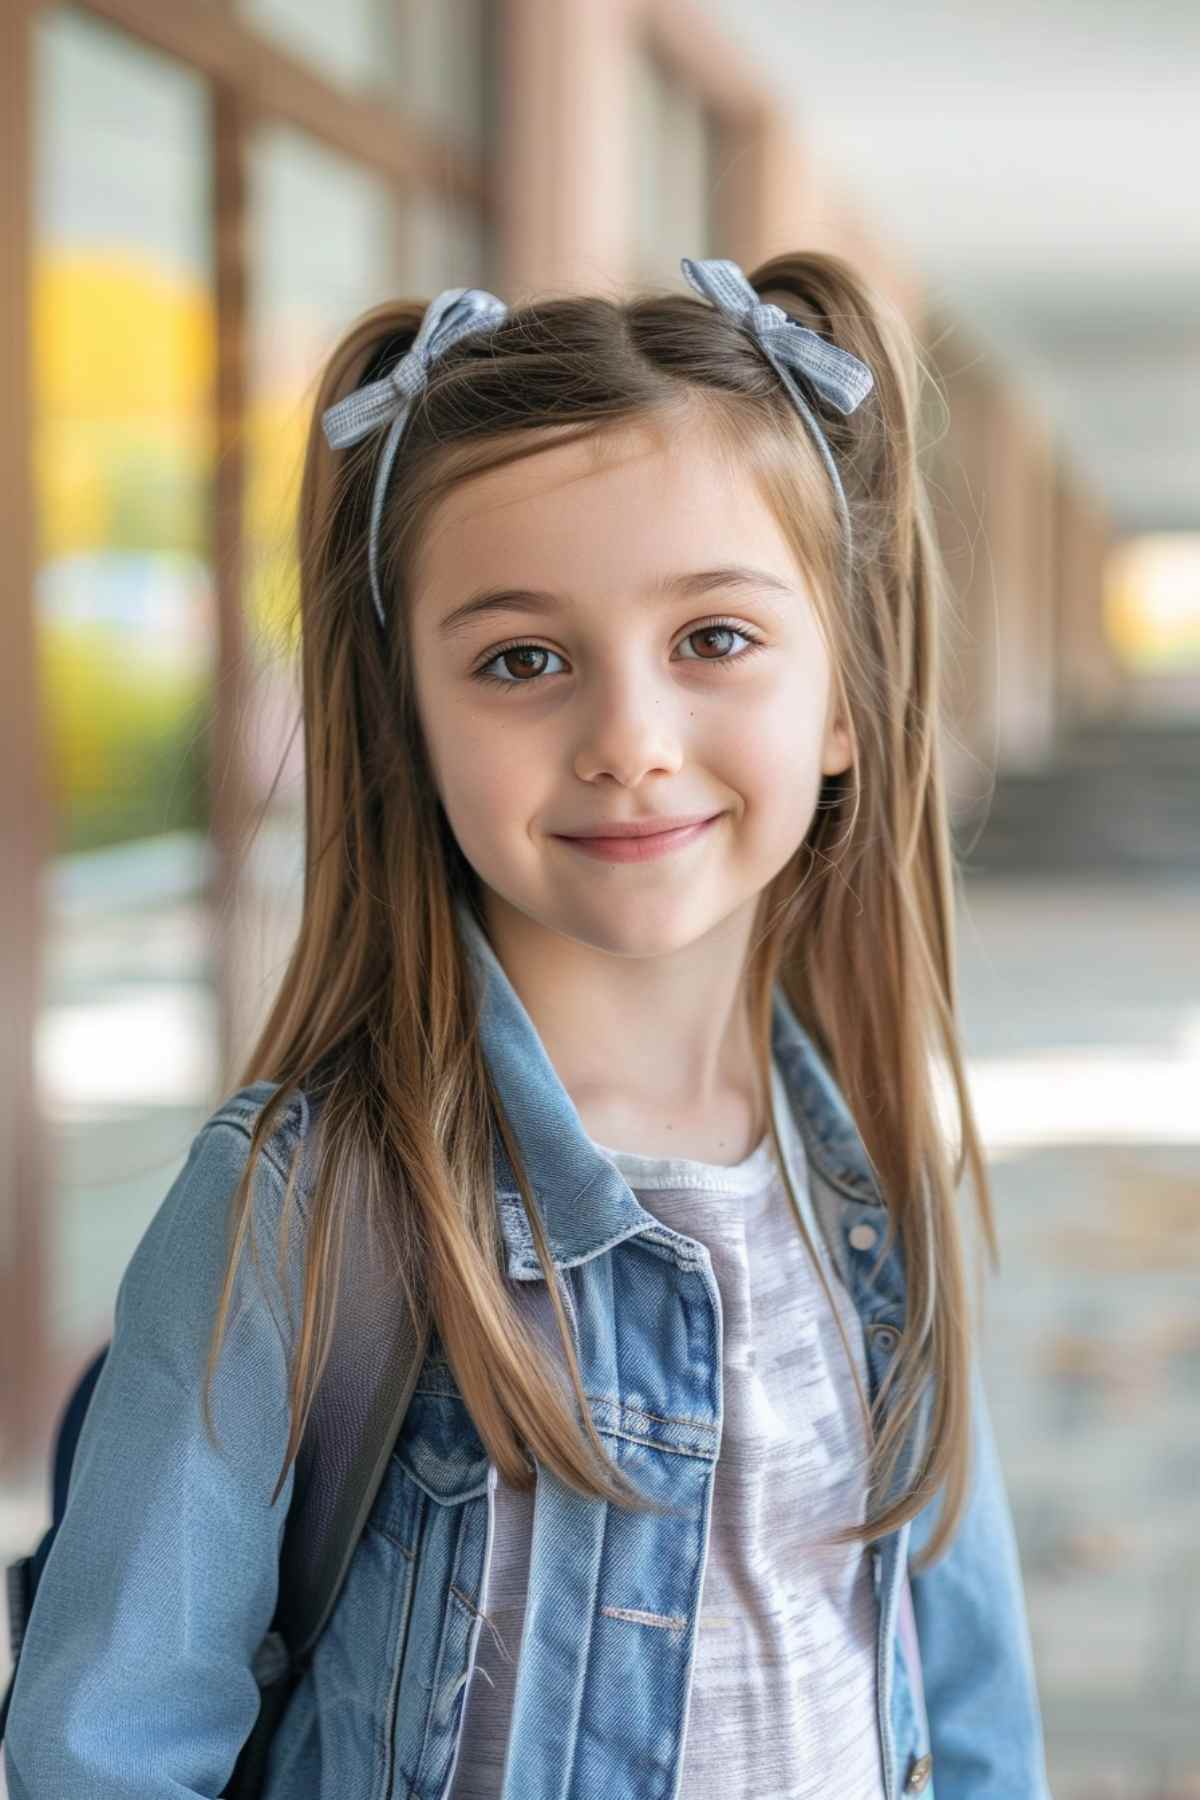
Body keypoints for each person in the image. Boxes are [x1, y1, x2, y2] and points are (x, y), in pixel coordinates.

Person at [3, 253, 1052, 1799]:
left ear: (844, 700)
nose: (627, 739)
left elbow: (962, 1704)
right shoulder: (307, 1211)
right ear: (407, 723)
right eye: (521, 661)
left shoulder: (870, 1185)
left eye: (714, 639)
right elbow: (108, 1754)